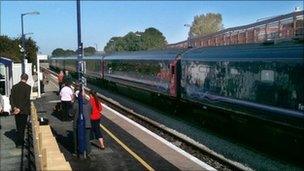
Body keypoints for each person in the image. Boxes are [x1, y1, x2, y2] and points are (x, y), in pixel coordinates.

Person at [9, 73, 31, 148]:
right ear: (27, 79)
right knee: (23, 126)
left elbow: (11, 98)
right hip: (24, 110)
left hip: (16, 111)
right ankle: (20, 142)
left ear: (20, 77)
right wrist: (19, 108)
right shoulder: (28, 87)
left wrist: (14, 108)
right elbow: (26, 99)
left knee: (18, 126)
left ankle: (19, 141)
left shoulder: (14, 87)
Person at [72, 89, 92, 157]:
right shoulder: (89, 103)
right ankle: (88, 152)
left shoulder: (75, 104)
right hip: (88, 124)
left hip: (77, 124)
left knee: (76, 138)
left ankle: (76, 152)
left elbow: (71, 113)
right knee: (87, 138)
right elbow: (91, 112)